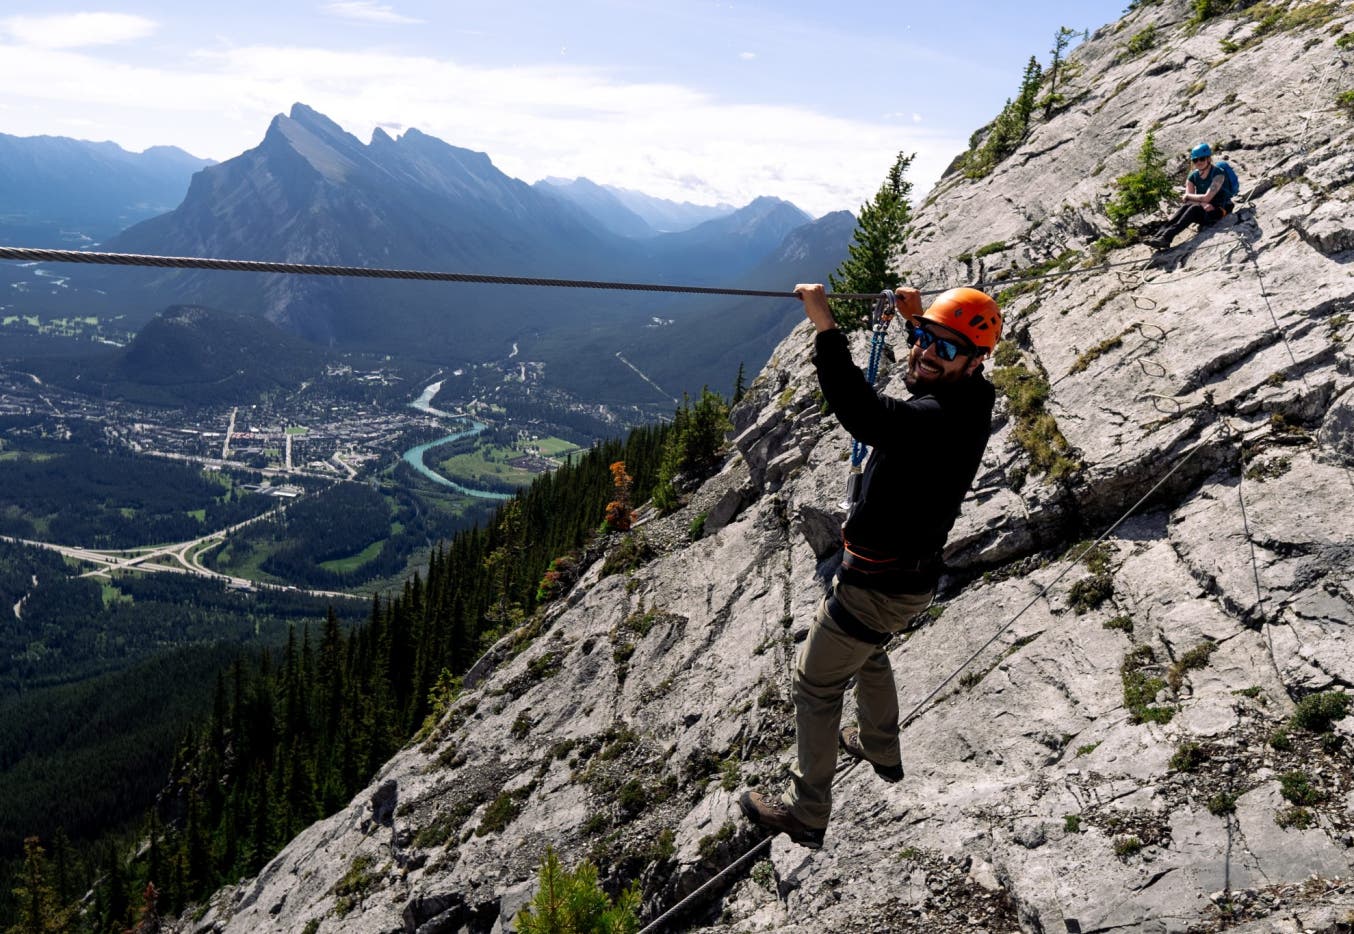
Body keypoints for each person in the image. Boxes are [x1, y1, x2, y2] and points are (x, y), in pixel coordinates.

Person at [738, 283, 1000, 848]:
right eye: (924, 340)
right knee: (867, 649)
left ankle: (809, 812)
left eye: (943, 349)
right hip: (903, 579)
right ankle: (880, 746)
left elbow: (862, 413)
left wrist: (825, 327)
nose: (925, 353)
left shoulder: (934, 416)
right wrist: (918, 323)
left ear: (976, 361)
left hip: (877, 583)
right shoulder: (973, 395)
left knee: (814, 682)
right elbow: (939, 362)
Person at [1147, 142, 1233, 250]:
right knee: (1186, 207)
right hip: (1204, 208)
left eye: (1201, 159)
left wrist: (1197, 200)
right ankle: (1159, 235)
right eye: (1195, 160)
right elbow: (1189, 199)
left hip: (1220, 209)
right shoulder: (1193, 175)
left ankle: (1166, 237)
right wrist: (1200, 201)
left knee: (1194, 208)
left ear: (1208, 159)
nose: (1199, 162)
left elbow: (1204, 197)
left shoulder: (1218, 174)